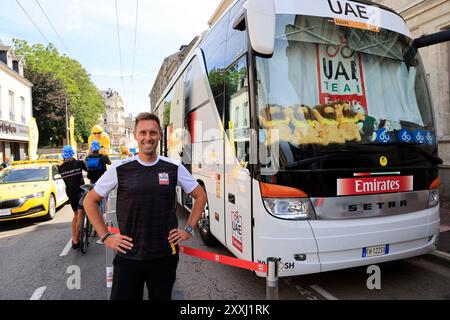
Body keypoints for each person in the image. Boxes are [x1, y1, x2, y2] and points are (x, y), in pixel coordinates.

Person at [84, 112, 206, 300]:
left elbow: (200, 196)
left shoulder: (173, 167)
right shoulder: (120, 168)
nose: (148, 137)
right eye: (143, 133)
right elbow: (89, 201)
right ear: (135, 135)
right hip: (128, 257)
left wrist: (188, 229)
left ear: (159, 136)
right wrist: (106, 237)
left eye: (152, 133)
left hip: (164, 257)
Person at [58, 146, 87, 249]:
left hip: (70, 193)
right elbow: (88, 170)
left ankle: (74, 238)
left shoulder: (60, 168)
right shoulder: (79, 163)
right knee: (80, 213)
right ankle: (77, 236)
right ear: (72, 153)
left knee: (75, 214)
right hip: (80, 191)